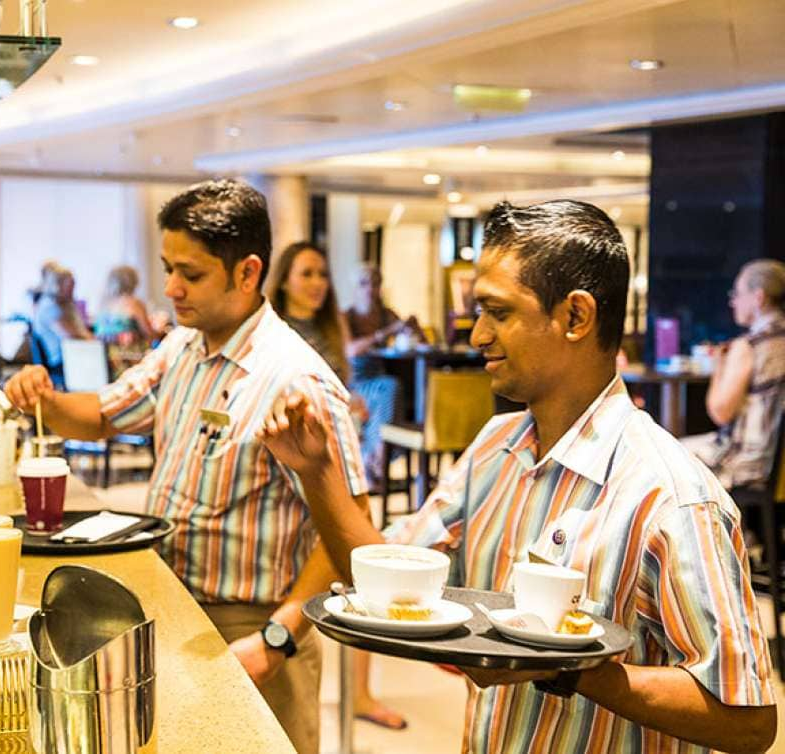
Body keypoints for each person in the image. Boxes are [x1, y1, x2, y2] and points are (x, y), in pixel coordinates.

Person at [259, 200, 777, 754]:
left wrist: (571, 670)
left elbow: (746, 719)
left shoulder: (670, 497)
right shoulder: (494, 449)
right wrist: (318, 472)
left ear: (576, 317)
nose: (476, 334)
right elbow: (383, 578)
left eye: (498, 312)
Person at [4, 179, 367, 754]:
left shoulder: (296, 380)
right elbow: (101, 414)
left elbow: (347, 536)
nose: (170, 288)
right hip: (173, 606)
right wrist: (41, 397)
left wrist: (278, 638)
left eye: (190, 274)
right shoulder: (183, 347)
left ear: (247, 273)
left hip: (252, 630)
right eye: (168, 268)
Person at [267, 241, 406, 731]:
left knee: (357, 568)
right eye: (305, 273)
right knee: (348, 569)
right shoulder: (277, 335)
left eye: (322, 273)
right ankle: (356, 695)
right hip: (296, 472)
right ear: (283, 279)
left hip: (336, 460)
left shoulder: (330, 327)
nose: (317, 282)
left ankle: (362, 693)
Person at [681, 259, 785, 491]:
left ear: (758, 298)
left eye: (737, 293)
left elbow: (720, 412)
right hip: (778, 469)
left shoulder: (749, 346)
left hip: (750, 464)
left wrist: (720, 364)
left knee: (668, 453)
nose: (733, 301)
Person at [344, 263, 425, 484]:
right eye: (364, 283)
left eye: (375, 283)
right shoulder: (347, 316)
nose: (370, 289)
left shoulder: (385, 313)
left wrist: (413, 328)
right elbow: (349, 349)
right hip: (355, 383)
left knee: (394, 389)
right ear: (355, 288)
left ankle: (376, 456)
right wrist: (384, 333)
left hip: (381, 380)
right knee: (389, 388)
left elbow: (420, 342)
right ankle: (379, 454)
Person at [31, 264, 92, 369]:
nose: (73, 289)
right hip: (61, 360)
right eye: (70, 285)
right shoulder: (50, 307)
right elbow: (69, 336)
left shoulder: (64, 304)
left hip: (72, 354)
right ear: (57, 285)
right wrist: (94, 341)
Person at [95, 265, 156, 345]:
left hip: (104, 353)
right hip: (128, 353)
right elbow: (149, 333)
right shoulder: (134, 303)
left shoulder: (104, 303)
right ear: (133, 282)